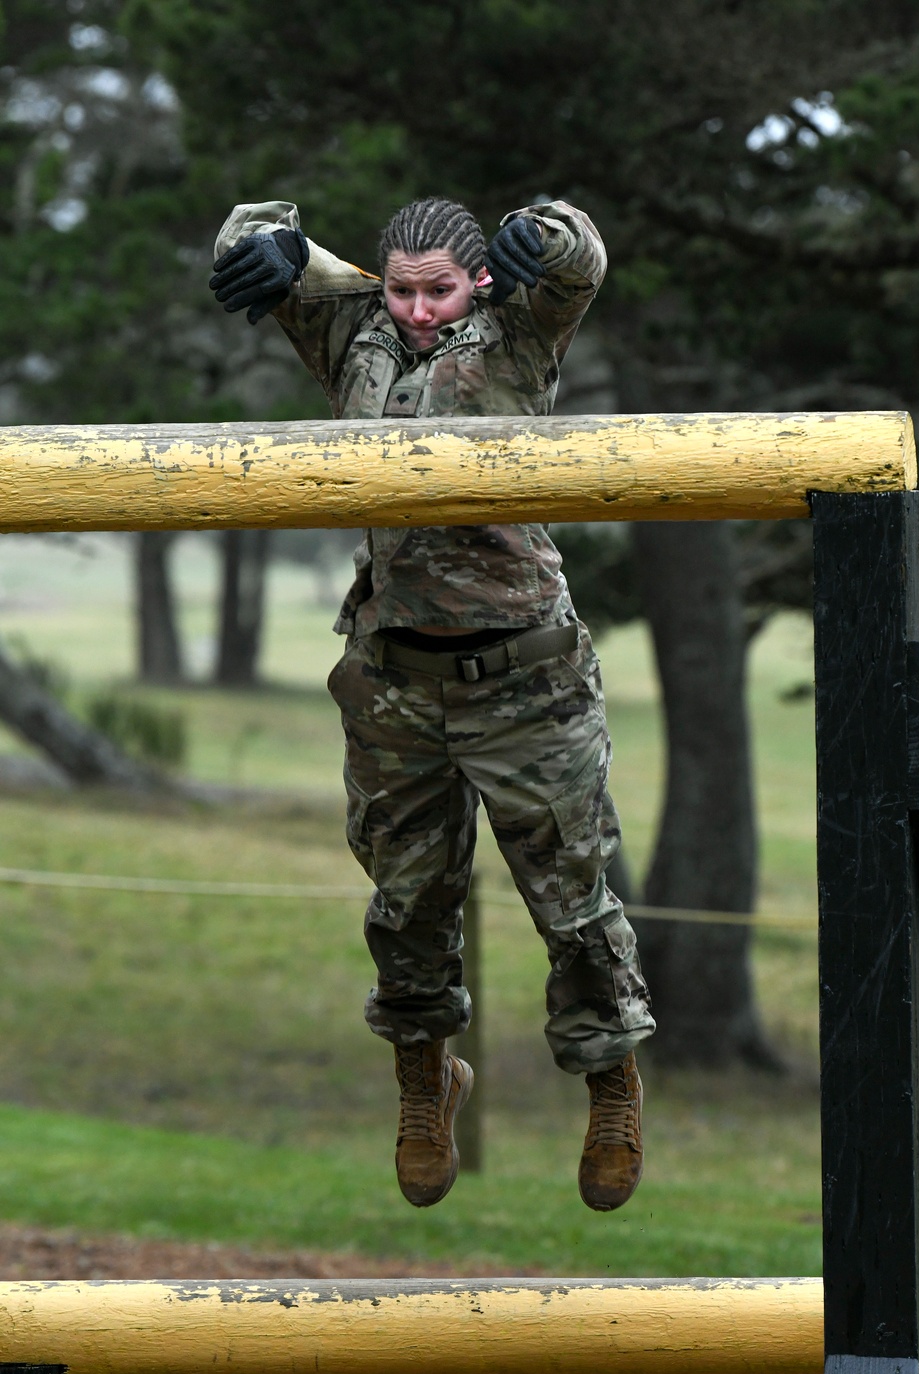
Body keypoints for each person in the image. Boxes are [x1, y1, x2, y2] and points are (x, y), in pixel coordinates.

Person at [210, 195, 655, 1212]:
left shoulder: (517, 333)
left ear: (477, 284)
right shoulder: (352, 333)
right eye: (401, 289)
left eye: (437, 291)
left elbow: (580, 257)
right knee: (406, 904)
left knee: (572, 905)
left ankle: (611, 1084)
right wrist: (267, 246)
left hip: (525, 676)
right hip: (393, 679)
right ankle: (423, 1081)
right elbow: (256, 244)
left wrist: (546, 228)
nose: (416, 311)